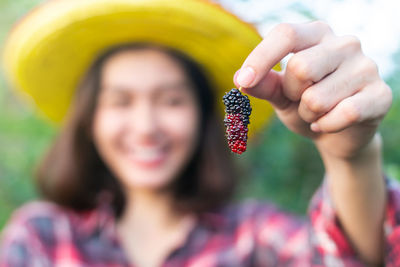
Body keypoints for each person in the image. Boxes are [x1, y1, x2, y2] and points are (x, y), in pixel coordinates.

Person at [0, 0, 398, 266]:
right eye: (120, 101)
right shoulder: (41, 237)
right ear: (90, 119)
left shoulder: (254, 237)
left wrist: (351, 155)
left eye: (172, 100)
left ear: (205, 117)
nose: (145, 127)